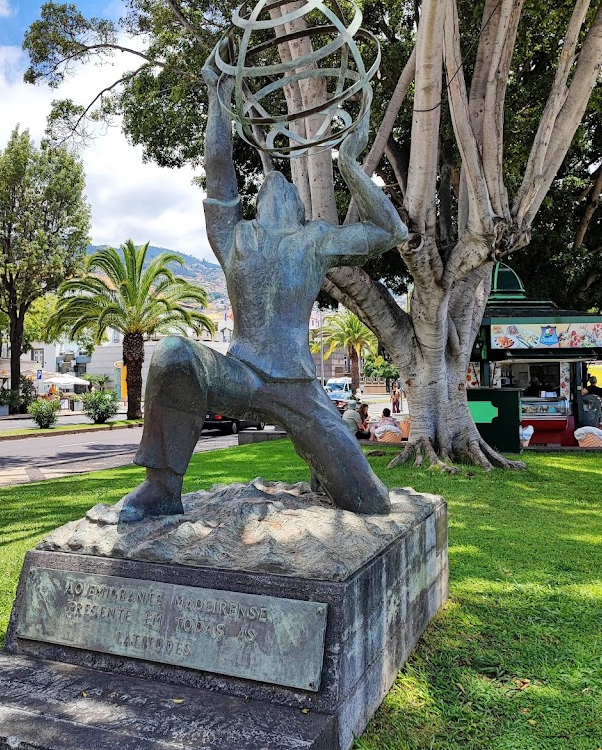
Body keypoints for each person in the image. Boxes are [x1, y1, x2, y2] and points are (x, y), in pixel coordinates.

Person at [118, 47, 408, 522]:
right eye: (264, 186)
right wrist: (216, 93)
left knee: (369, 502)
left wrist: (350, 163)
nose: (274, 184)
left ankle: (329, 457)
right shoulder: (236, 238)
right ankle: (161, 488)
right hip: (239, 375)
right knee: (172, 354)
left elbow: (390, 231)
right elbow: (218, 169)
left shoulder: (315, 239)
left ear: (298, 208)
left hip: (297, 387)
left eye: (287, 187)